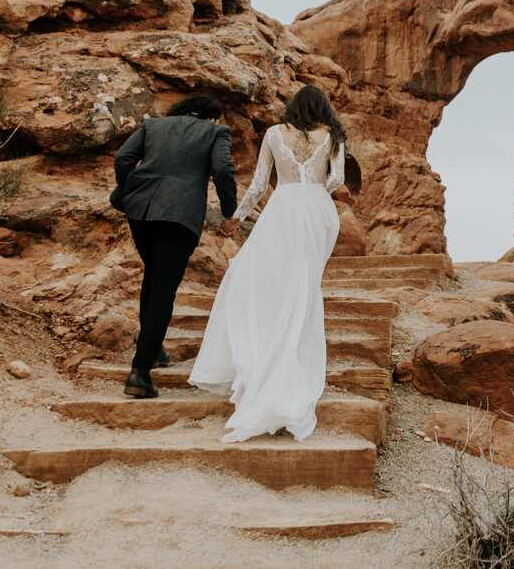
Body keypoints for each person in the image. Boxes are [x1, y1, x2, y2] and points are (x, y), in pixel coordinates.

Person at [189, 85, 346, 442]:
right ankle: (292, 354)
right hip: (318, 211)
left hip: (283, 209)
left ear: (293, 106)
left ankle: (265, 353)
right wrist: (316, 189)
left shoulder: (275, 134)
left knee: (268, 280)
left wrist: (237, 219)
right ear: (322, 107)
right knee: (304, 284)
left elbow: (260, 184)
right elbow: (336, 179)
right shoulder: (332, 134)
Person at [110, 93, 238, 399]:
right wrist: (229, 211)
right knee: (163, 289)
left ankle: (153, 350)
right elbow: (222, 169)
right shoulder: (216, 132)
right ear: (212, 117)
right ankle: (139, 373)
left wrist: (129, 190)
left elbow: (122, 158)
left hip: (140, 211)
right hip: (179, 217)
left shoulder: (153, 125)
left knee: (153, 278)